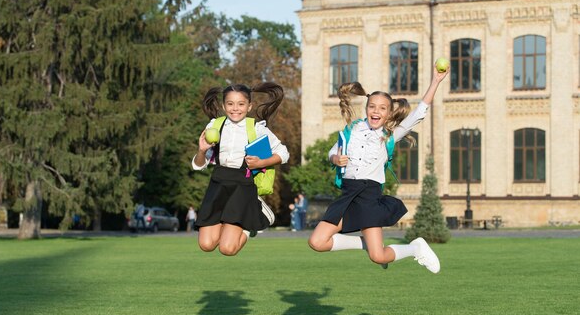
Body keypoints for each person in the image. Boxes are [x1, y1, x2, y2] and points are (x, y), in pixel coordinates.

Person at [308, 68, 448, 273]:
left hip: (369, 197)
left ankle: (414, 248)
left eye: (382, 108)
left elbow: (419, 114)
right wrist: (335, 158)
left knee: (378, 256)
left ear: (389, 113)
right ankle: (365, 244)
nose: (376, 111)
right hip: (347, 195)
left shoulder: (390, 136)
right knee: (317, 242)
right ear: (366, 108)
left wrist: (435, 81)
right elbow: (333, 151)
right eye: (372, 106)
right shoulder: (352, 129)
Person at [192, 82, 289, 256]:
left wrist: (260, 163)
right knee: (206, 245)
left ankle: (254, 220)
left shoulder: (257, 128)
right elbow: (199, 165)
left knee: (227, 249)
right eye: (230, 104)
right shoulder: (214, 126)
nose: (235, 108)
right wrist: (201, 150)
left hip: (242, 185)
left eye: (241, 104)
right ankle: (246, 219)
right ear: (223, 106)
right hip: (218, 184)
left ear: (249, 106)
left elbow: (284, 153)